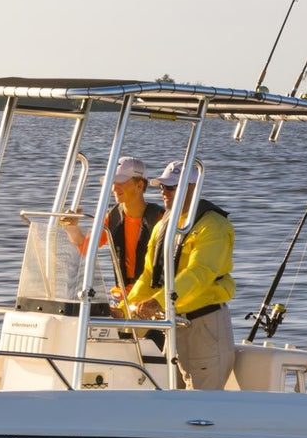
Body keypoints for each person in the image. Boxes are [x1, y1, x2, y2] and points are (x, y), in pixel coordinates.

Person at [125, 161, 236, 390]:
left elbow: (199, 273)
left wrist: (158, 302)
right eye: (162, 187)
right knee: (169, 397)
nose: (164, 192)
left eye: (171, 188)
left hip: (204, 327)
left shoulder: (213, 226)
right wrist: (127, 308)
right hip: (174, 324)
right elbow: (149, 275)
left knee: (202, 406)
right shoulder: (163, 225)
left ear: (192, 188)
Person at [58, 156, 164, 292]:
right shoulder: (112, 218)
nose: (114, 188)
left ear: (140, 185)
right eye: (112, 182)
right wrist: (71, 228)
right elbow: (86, 248)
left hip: (151, 297)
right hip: (122, 296)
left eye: (121, 182)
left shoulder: (160, 219)